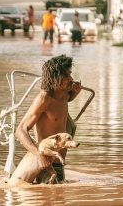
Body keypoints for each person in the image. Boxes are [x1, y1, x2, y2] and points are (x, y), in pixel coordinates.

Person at [14, 55, 82, 184]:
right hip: (45, 164)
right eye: (67, 76)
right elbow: (20, 130)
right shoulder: (44, 99)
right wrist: (39, 156)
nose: (71, 79)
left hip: (59, 163)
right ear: (55, 79)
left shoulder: (64, 94)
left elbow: (61, 107)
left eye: (70, 74)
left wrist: (74, 94)